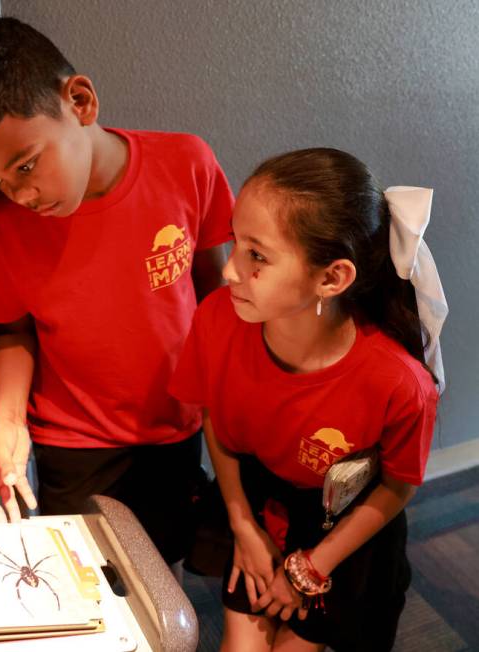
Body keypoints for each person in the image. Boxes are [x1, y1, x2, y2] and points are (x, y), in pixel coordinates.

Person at [0, 14, 234, 563]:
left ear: (80, 102)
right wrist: (7, 421)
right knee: (99, 587)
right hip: (75, 441)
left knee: (164, 578)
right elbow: (14, 328)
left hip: (176, 422)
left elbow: (214, 295)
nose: (19, 194)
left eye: (25, 164)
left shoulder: (187, 164)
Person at [170, 147, 447, 651]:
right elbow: (216, 415)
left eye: (257, 255)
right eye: (235, 242)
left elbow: (396, 487)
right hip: (259, 504)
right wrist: (242, 524)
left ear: (332, 278)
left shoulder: (399, 384)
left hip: (345, 529)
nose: (229, 270)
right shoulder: (217, 319)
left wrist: (312, 564)